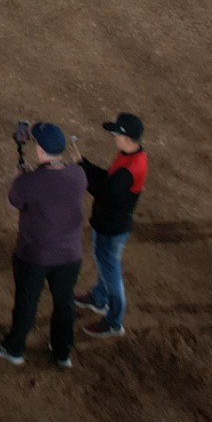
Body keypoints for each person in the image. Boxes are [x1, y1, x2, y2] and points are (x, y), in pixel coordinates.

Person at [0, 122, 85, 369]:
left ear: (40, 150)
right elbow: (55, 185)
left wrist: (19, 179)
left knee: (27, 302)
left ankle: (15, 349)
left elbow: (13, 203)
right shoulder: (78, 174)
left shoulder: (29, 182)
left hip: (35, 255)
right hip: (70, 255)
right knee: (64, 302)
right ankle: (63, 352)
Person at [74, 115, 146, 339]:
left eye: (117, 134)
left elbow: (103, 191)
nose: (114, 137)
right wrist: (82, 164)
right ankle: (98, 298)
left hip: (111, 228)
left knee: (110, 270)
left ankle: (114, 320)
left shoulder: (129, 169)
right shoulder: (129, 155)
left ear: (126, 138)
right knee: (105, 264)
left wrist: (80, 173)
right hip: (109, 224)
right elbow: (106, 178)